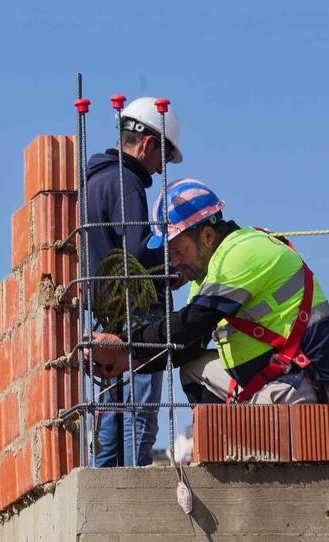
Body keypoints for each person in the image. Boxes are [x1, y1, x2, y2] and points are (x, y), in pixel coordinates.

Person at [91, 179, 329, 404]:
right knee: (193, 368)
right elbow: (187, 344)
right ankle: (222, 440)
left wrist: (125, 344)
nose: (174, 262)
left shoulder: (243, 251)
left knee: (258, 428)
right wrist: (129, 359)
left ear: (207, 236)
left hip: (307, 380)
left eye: (178, 251)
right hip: (271, 379)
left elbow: (192, 323)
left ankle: (242, 438)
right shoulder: (209, 275)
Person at [83, 96, 183, 466]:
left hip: (105, 317)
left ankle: (105, 488)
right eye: (163, 156)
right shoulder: (126, 182)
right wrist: (175, 263)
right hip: (135, 316)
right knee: (138, 415)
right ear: (147, 144)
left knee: (110, 414)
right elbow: (137, 253)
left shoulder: (94, 180)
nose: (160, 168)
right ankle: (131, 489)